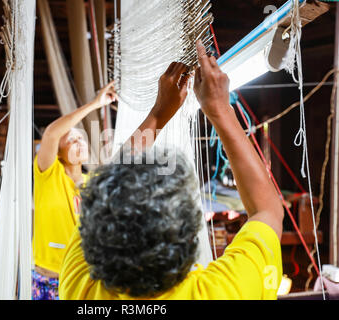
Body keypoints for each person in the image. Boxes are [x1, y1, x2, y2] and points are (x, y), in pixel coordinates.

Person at [59, 41, 284, 300]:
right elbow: (267, 212)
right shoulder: (216, 292)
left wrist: (158, 114)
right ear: (190, 241)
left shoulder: (79, 287)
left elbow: (114, 185)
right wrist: (219, 109)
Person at [32, 81, 117, 300]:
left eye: (81, 138)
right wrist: (95, 104)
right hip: (50, 282)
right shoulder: (48, 175)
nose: (80, 142)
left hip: (85, 280)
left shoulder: (94, 184)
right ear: (58, 153)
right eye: (71, 140)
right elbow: (51, 133)